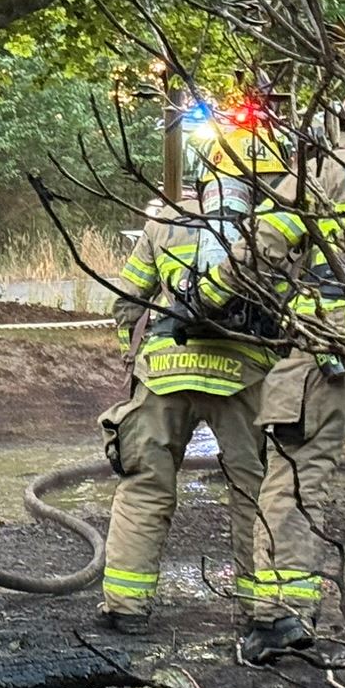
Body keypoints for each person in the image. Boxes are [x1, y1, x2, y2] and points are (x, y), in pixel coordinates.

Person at [191, 94, 345, 666]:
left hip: (332, 347)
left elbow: (263, 245)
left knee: (299, 474)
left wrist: (205, 298)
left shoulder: (328, 169)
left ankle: (283, 614)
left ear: (343, 124)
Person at [98, 125, 287, 634]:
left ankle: (125, 608)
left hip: (164, 371)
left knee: (146, 484)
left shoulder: (167, 222)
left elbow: (128, 298)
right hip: (245, 375)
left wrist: (128, 356)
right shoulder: (279, 225)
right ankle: (262, 613)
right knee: (256, 491)